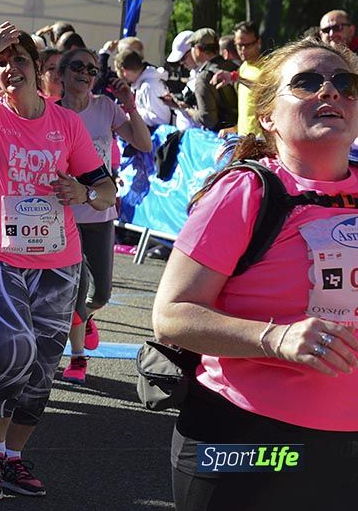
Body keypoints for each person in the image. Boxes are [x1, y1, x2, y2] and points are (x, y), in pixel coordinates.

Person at [152, 37, 358, 510]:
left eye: (346, 83)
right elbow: (172, 316)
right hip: (250, 441)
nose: (330, 92)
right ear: (267, 116)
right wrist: (278, 339)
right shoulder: (248, 190)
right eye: (307, 83)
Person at [0, 23, 116, 500]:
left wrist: (85, 193)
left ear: (40, 70)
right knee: (14, 349)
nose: (10, 68)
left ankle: (14, 458)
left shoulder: (67, 124)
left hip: (58, 259)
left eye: (19, 60)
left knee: (42, 368)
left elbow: (106, 188)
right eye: (2, 64)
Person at [54, 47, 152, 384]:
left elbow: (143, 143)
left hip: (99, 211)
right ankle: (78, 357)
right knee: (75, 294)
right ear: (62, 74)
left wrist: (129, 104)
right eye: (78, 67)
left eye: (92, 69)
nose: (85, 73)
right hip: (63, 213)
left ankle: (86, 318)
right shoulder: (50, 113)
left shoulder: (105, 108)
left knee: (101, 294)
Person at [114, 49, 172, 128]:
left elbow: (162, 119)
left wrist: (131, 115)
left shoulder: (149, 86)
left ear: (124, 71)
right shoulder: (144, 84)